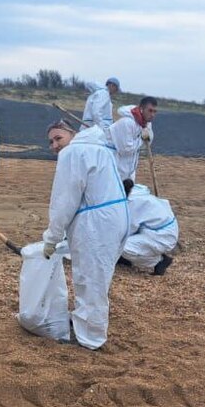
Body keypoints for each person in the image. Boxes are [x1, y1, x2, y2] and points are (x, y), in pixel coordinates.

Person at [38, 120, 130, 349]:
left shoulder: (74, 153)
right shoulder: (99, 148)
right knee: (99, 276)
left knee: (90, 279)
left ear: (72, 134)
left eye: (58, 138)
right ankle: (86, 320)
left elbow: (64, 201)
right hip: (117, 217)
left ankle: (91, 338)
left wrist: (52, 237)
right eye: (50, 141)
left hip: (97, 222)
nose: (54, 145)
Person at [119, 183, 177, 275]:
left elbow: (128, 228)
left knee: (121, 246)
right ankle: (124, 258)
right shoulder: (136, 193)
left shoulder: (133, 202)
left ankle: (159, 261)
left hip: (161, 236)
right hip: (154, 228)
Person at [109, 96, 158, 192]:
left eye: (155, 112)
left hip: (129, 168)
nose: (152, 114)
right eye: (150, 111)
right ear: (141, 109)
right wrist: (142, 139)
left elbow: (146, 144)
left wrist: (146, 138)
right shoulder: (127, 123)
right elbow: (125, 149)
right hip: (114, 167)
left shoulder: (146, 124)